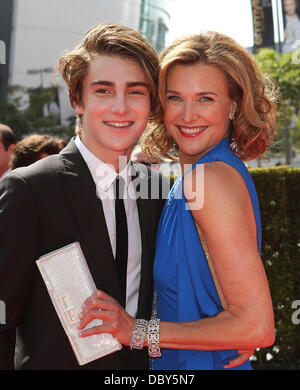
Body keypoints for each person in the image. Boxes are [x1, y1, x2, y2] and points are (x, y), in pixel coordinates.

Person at [77, 31, 277, 370]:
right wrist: (227, 331)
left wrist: (137, 332)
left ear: (232, 105)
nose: (187, 115)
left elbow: (257, 326)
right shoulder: (198, 177)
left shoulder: (208, 180)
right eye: (175, 98)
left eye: (205, 99)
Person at [0, 23, 167, 370]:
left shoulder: (159, 192)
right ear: (78, 99)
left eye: (135, 92)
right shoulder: (29, 190)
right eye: (103, 91)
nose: (120, 107)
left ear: (151, 103)